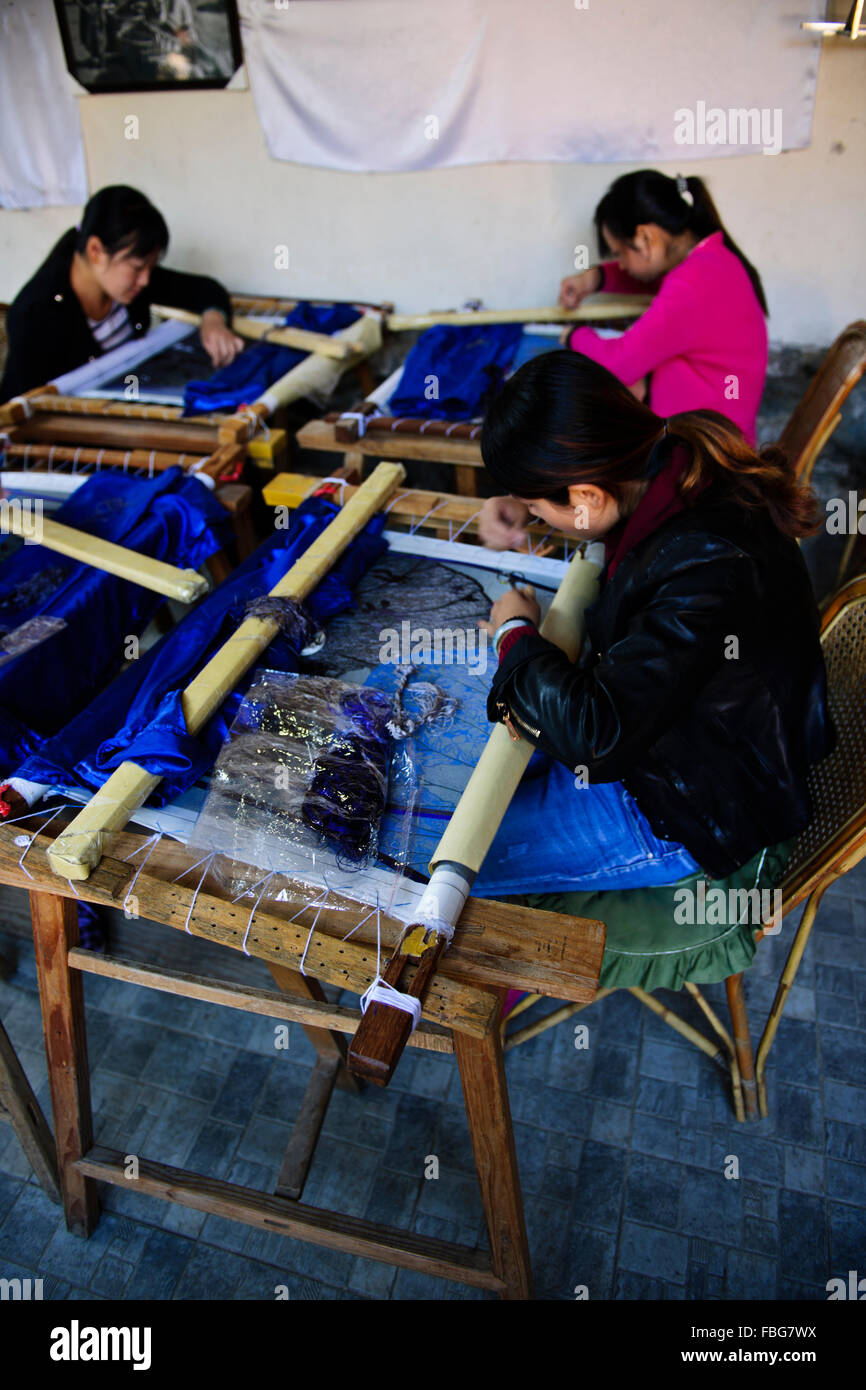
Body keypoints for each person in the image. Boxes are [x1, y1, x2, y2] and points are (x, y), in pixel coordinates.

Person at [473, 350, 832, 899]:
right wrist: (532, 497)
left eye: (536, 505)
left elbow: (600, 735)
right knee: (456, 775)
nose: (534, 516)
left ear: (587, 495)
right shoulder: (678, 454)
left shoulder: (705, 563)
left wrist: (514, 632)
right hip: (686, 745)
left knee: (437, 853)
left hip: (688, 810)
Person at [558, 170, 768, 445]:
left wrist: (572, 336)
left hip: (708, 459)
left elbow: (618, 364)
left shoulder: (691, 286)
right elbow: (654, 279)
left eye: (620, 253)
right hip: (719, 440)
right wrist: (595, 278)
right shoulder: (711, 260)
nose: (620, 264)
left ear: (645, 238)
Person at [0, 184, 243, 401]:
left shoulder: (127, 282)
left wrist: (214, 320)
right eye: (138, 268)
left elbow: (203, 289)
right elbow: (19, 409)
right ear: (96, 251)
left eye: (150, 268)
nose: (146, 280)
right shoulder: (35, 315)